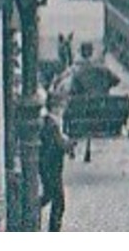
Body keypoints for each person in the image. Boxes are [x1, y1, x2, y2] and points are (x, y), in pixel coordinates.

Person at [38, 93, 73, 231]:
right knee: (59, 201)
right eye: (61, 107)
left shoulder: (49, 122)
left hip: (48, 166)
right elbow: (60, 144)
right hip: (51, 167)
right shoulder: (52, 124)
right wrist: (70, 145)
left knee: (47, 196)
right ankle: (53, 230)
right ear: (56, 108)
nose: (63, 110)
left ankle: (34, 211)